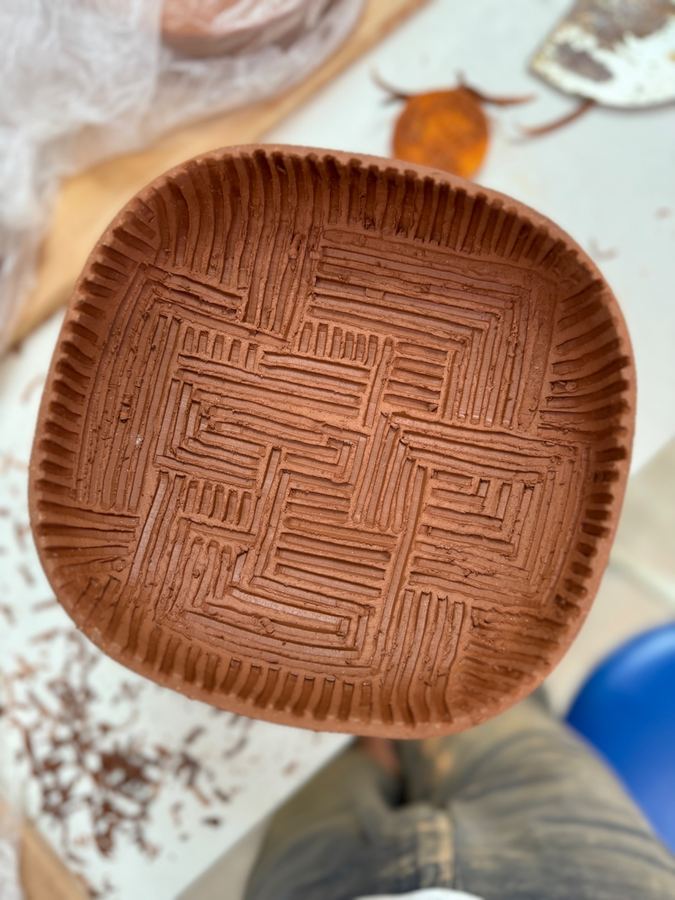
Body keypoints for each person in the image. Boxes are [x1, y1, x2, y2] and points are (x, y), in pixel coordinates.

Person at [244, 691, 675, 900]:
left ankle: (370, 740)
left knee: (320, 748)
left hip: (323, 886)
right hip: (593, 878)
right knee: (478, 692)